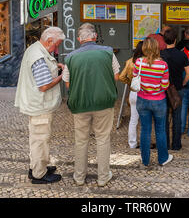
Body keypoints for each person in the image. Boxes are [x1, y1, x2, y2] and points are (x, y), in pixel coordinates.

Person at [62, 23, 120, 187]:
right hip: (104, 102)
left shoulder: (71, 57)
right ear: (94, 37)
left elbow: (67, 82)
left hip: (80, 103)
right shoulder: (108, 52)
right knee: (102, 138)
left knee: (81, 140)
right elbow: (116, 76)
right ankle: (102, 177)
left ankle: (79, 177)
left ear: (79, 39)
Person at [14, 27, 66, 184]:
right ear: (49, 40)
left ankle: (36, 166)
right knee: (40, 140)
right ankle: (39, 174)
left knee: (36, 139)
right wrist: (62, 76)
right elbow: (44, 85)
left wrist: (56, 66)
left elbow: (43, 70)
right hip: (39, 106)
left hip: (36, 105)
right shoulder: (38, 55)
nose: (56, 48)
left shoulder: (36, 49)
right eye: (56, 44)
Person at [133, 37, 173, 167]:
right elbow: (165, 85)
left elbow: (136, 79)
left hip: (142, 100)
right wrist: (156, 89)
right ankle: (163, 158)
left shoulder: (138, 62)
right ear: (157, 48)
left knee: (145, 130)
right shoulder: (163, 65)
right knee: (160, 130)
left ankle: (145, 160)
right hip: (159, 101)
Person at [160, 28, 189, 151]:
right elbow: (188, 74)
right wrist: (182, 83)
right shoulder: (181, 54)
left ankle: (166, 144)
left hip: (163, 90)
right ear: (175, 40)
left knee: (164, 118)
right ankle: (176, 145)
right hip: (178, 89)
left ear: (164, 40)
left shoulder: (160, 54)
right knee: (177, 117)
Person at [119, 41, 144, 149]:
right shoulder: (147, 62)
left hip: (134, 92)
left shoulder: (130, 61)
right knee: (145, 120)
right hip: (144, 92)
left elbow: (121, 77)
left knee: (133, 120)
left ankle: (132, 143)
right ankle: (144, 142)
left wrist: (131, 84)